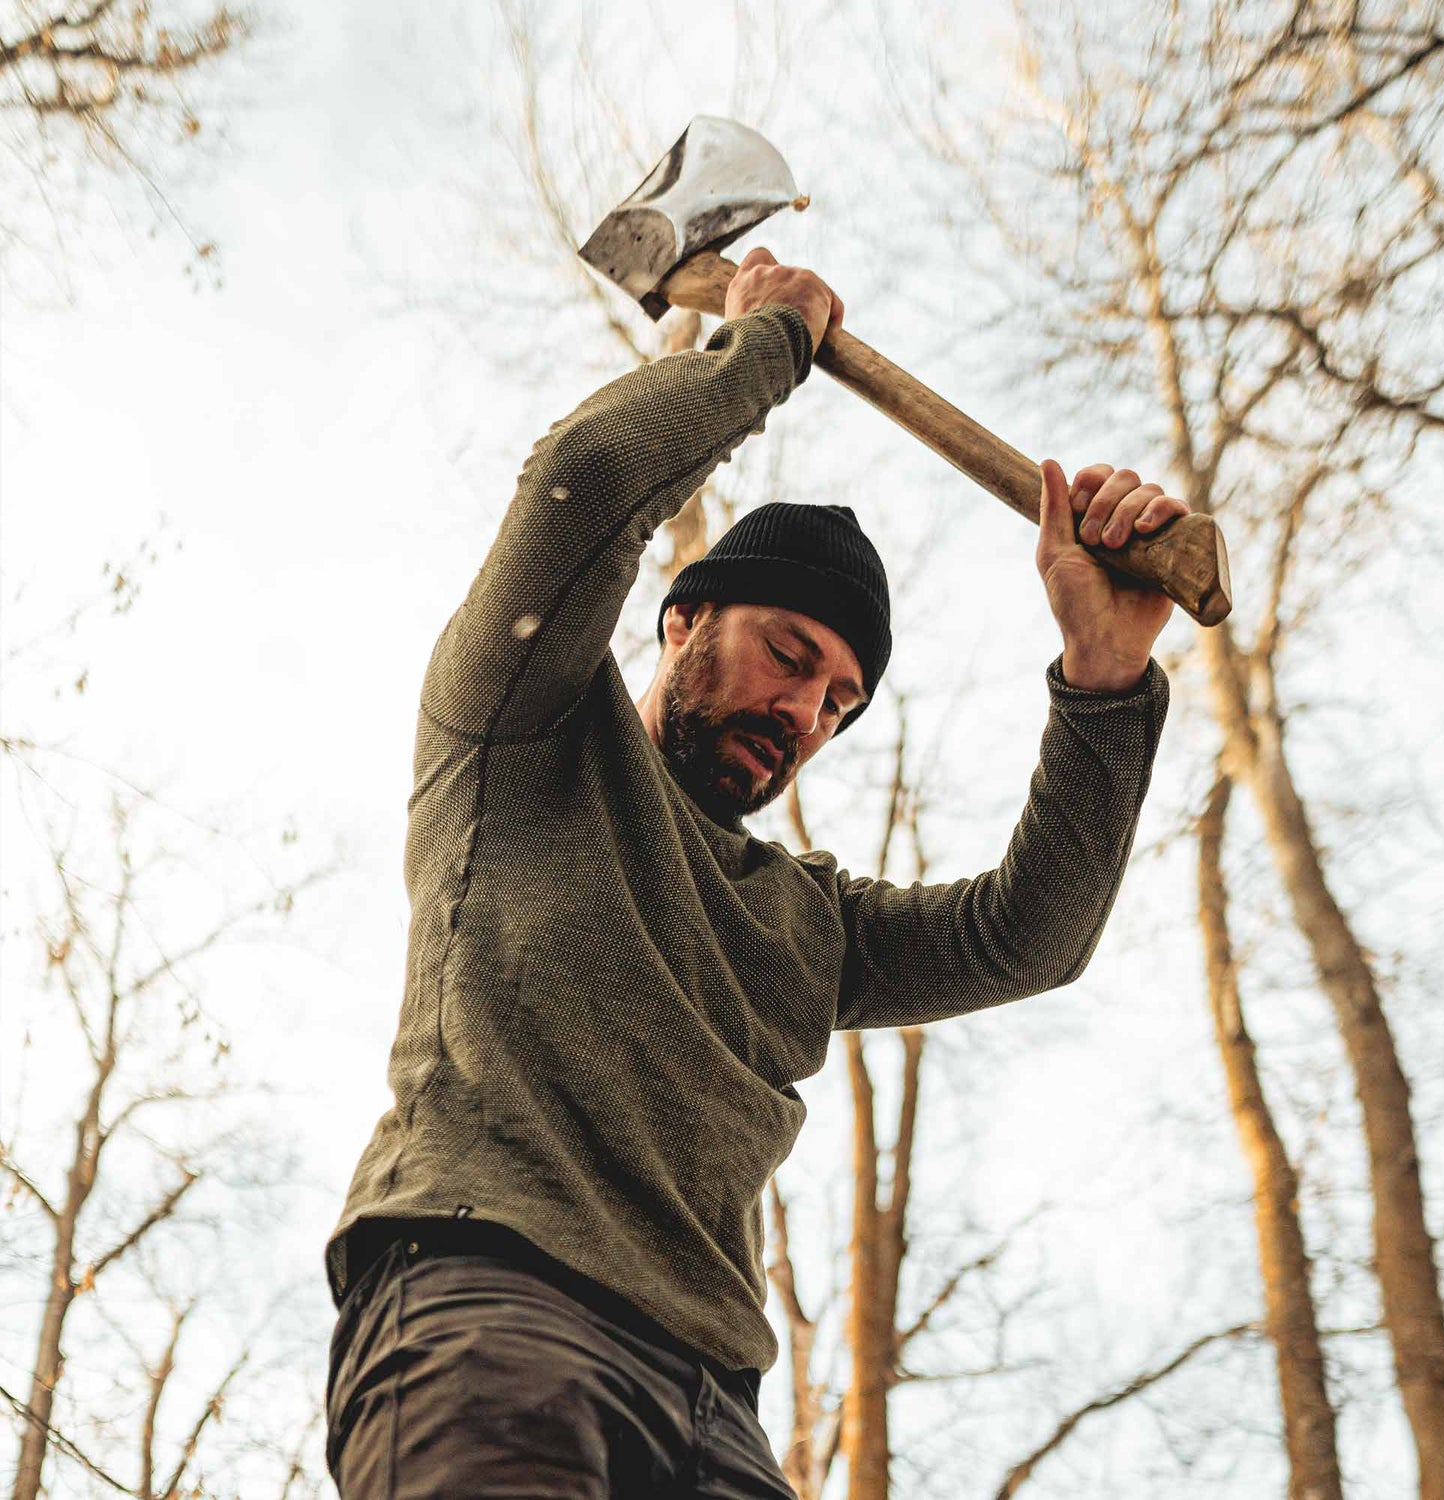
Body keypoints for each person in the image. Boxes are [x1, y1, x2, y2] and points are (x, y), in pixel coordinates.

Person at [322, 247, 1183, 1498]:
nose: (805, 713)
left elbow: (1029, 938)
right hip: (490, 1290)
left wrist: (1105, 682)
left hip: (716, 1404)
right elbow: (587, 481)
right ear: (682, 622)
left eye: (839, 701)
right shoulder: (521, 726)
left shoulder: (807, 923)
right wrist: (764, 346)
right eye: (788, 654)